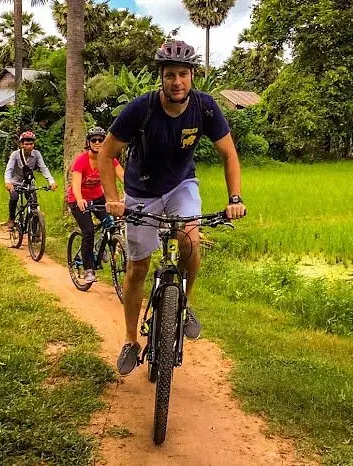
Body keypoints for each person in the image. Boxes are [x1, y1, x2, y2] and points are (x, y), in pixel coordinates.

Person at [97, 40, 247, 376]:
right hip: (140, 191)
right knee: (137, 267)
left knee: (191, 239)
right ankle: (130, 340)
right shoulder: (141, 108)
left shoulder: (205, 108)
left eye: (182, 74)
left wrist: (234, 199)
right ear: (160, 77)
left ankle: (182, 304)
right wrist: (112, 198)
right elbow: (106, 155)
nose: (176, 81)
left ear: (192, 76)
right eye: (169, 75)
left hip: (181, 185)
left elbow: (229, 155)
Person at [67, 127, 126, 284]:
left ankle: (103, 245)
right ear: (89, 142)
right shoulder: (81, 160)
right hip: (78, 199)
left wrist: (133, 193)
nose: (98, 142)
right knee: (89, 231)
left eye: (101, 139)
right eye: (94, 140)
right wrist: (79, 199)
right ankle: (88, 269)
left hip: (98, 197)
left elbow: (123, 177)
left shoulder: (109, 159)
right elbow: (75, 185)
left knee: (112, 223)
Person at [4, 131, 57, 229]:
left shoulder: (37, 154)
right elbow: (9, 169)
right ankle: (11, 218)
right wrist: (8, 182)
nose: (29, 146)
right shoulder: (15, 154)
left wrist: (51, 181)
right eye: (26, 144)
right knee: (14, 198)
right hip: (15, 183)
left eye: (31, 144)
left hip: (28, 183)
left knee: (34, 204)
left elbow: (43, 168)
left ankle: (34, 231)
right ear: (21, 145)